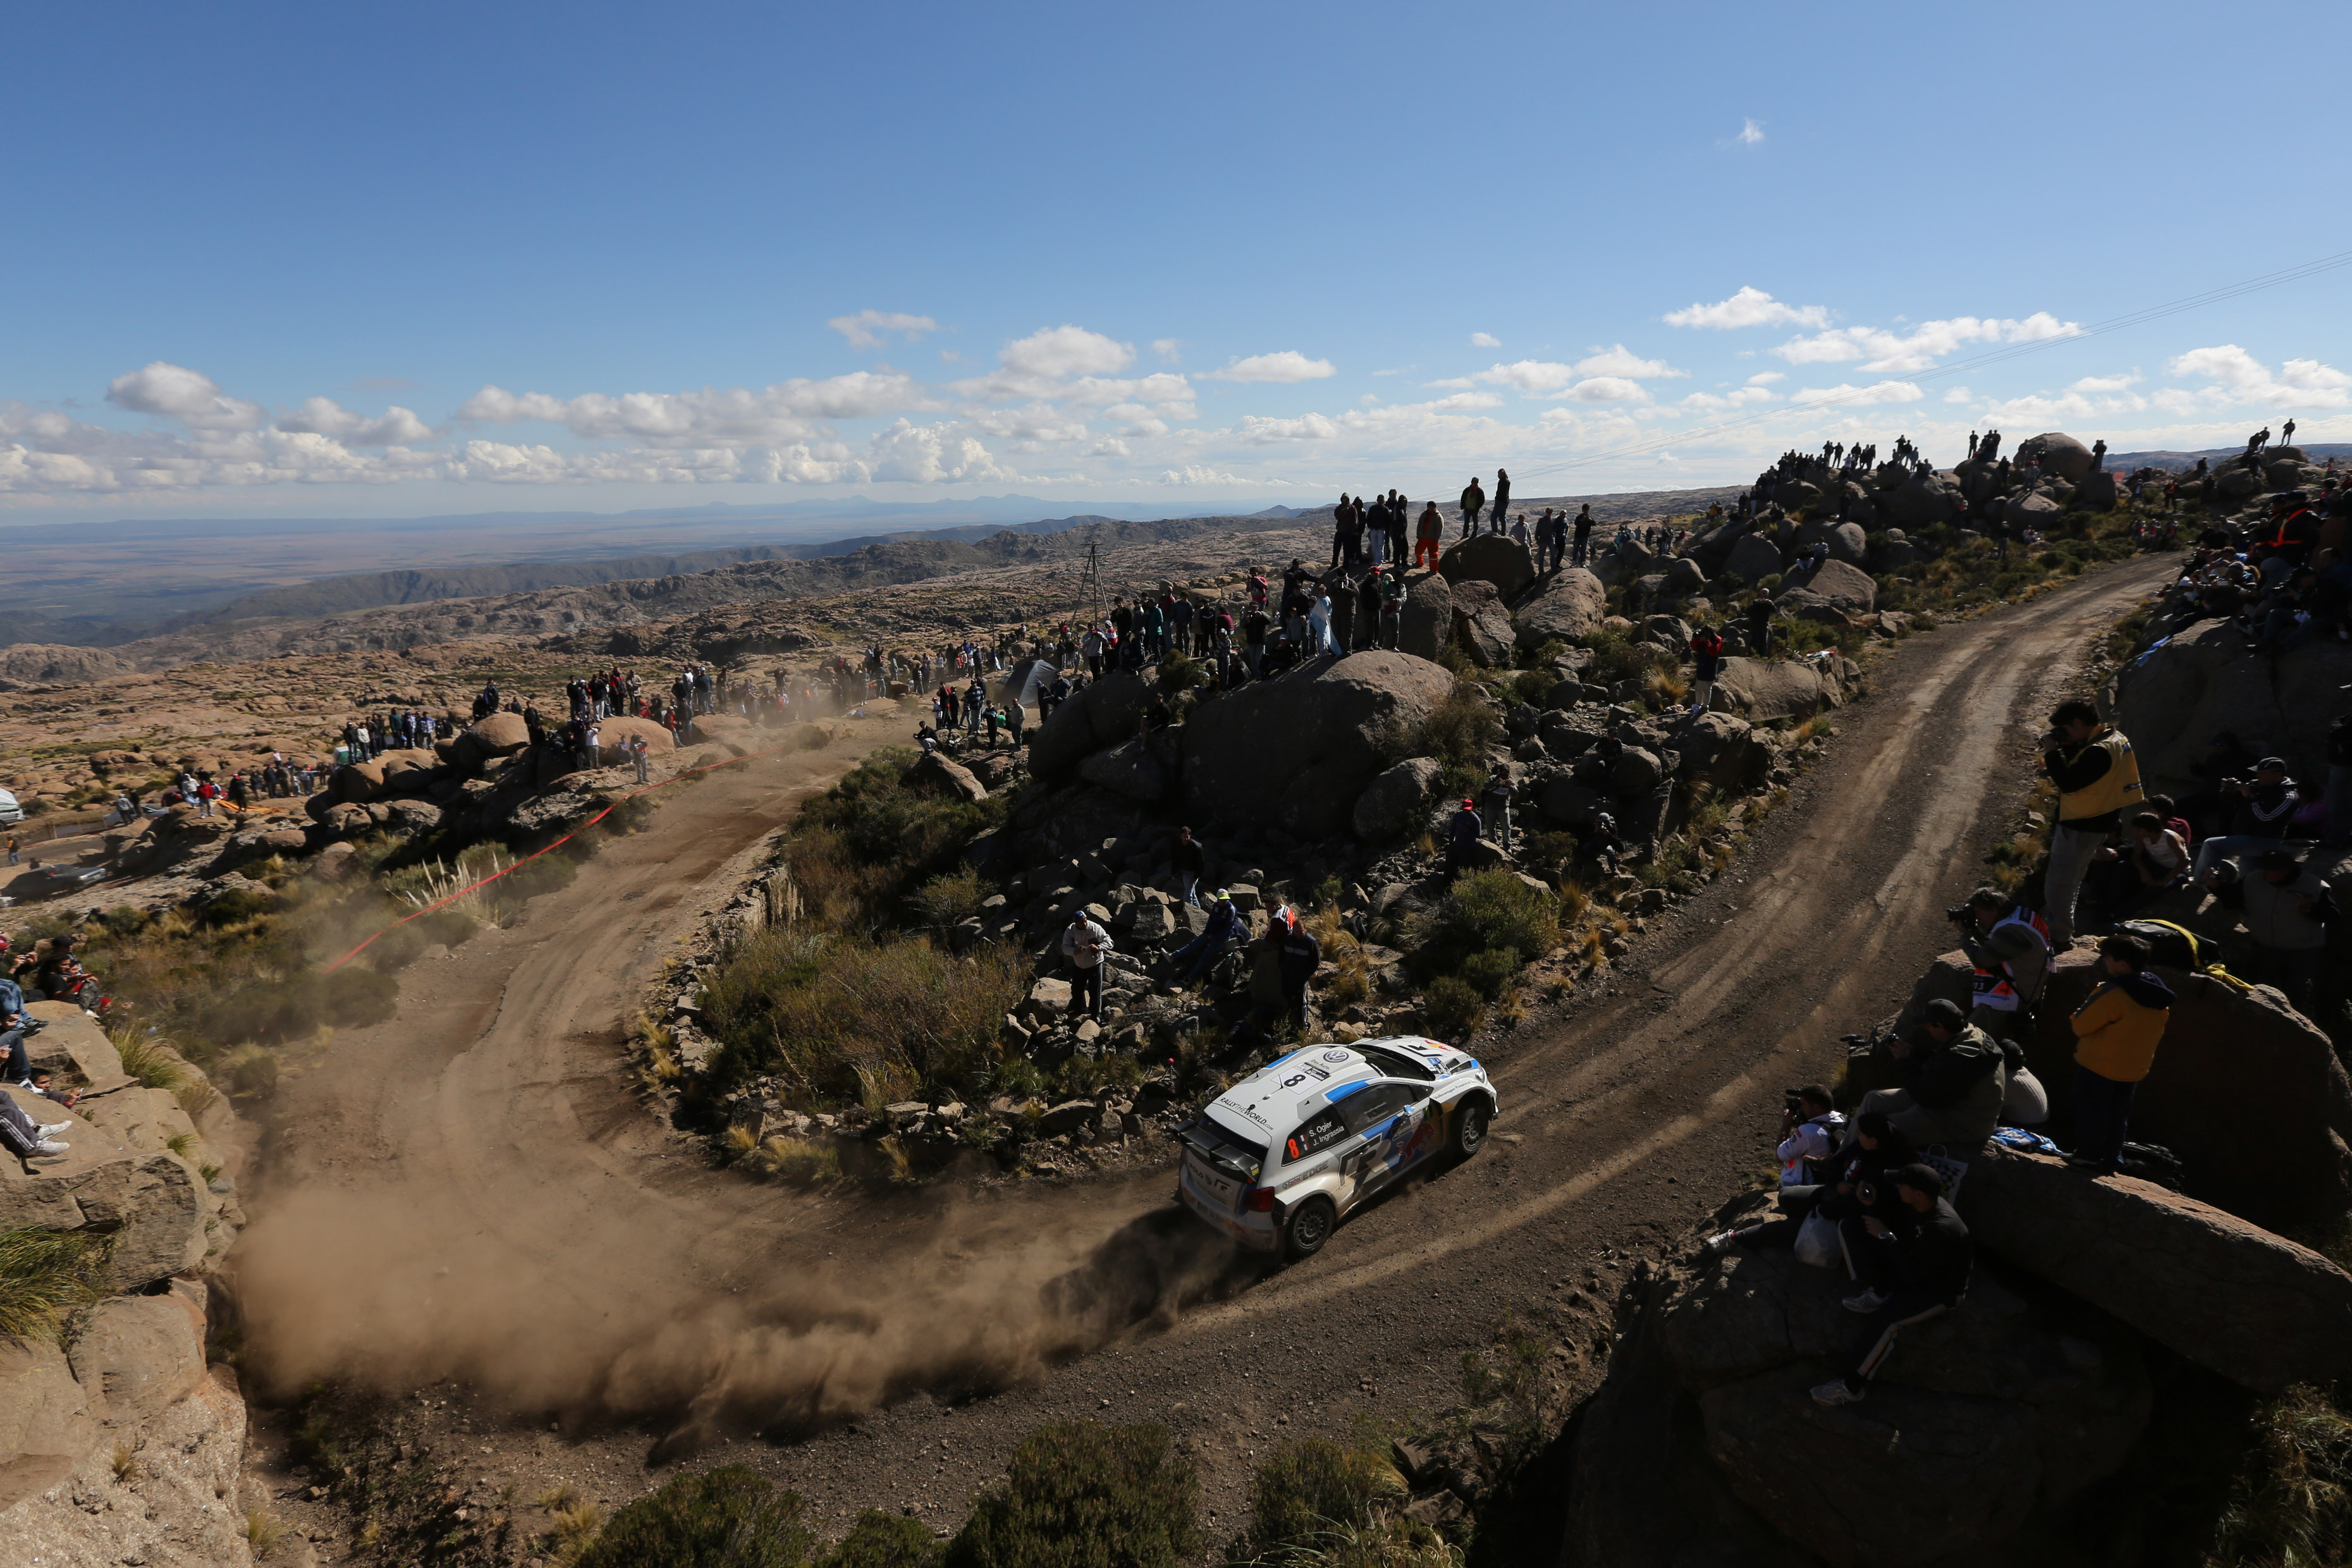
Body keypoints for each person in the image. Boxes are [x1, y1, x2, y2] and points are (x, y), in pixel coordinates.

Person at [1810, 1164, 1971, 1407]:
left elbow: (1916, 1274)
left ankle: (1852, 1387)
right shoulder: (1921, 1205)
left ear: (1918, 1193)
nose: (1897, 1187)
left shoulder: (1940, 1228)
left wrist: (1886, 1237)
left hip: (1938, 1290)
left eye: (1901, 1185)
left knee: (1886, 1320)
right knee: (1852, 1226)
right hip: (1915, 1267)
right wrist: (1871, 1205)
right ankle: (1879, 1292)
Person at [2066, 933, 2174, 1175]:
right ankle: (2112, 1158)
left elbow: (2081, 1026)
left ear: (2122, 964)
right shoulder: (2157, 995)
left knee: (2090, 1110)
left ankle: (2088, 1156)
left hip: (2099, 1064)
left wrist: (2077, 1016)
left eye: (2107, 957)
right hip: (2133, 1069)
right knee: (2118, 1116)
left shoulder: (2114, 992)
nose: (2104, 961)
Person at [2040, 700, 2144, 948]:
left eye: (2066, 728)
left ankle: (2058, 937)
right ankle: (2056, 926)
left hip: (2081, 823)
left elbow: (2068, 782)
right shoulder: (2113, 738)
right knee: (2073, 879)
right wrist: (2068, 745)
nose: (2064, 733)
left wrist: (2052, 753)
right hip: (2099, 820)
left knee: (2060, 883)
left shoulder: (2098, 751)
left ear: (2077, 723)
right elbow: (2084, 772)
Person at [1854, 999, 2006, 1151]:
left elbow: (1924, 1096)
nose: (1926, 1029)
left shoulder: (1962, 1056)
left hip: (1962, 1123)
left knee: (1875, 1129)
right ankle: (1844, 1152)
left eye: (1928, 1026)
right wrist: (1913, 1052)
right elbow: (1942, 1064)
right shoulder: (1970, 1034)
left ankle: (1853, 1159)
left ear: (1939, 1026)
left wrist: (1904, 1061)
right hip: (1950, 1104)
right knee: (1873, 1099)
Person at [2217, 848, 2334, 1010]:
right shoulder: (2252, 880)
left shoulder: (2315, 886)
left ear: (2286, 870)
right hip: (2265, 949)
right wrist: (2216, 887)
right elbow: (2233, 901)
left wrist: (2309, 908)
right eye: (2265, 868)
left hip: (2303, 953)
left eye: (2272, 870)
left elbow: (2332, 916)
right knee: (2262, 996)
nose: (2266, 873)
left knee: (2301, 997)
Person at [2188, 756, 2305, 884]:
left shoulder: (2288, 795)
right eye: (2258, 772)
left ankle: (2200, 882)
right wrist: (2227, 790)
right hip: (2246, 837)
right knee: (2248, 881)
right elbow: (2230, 802)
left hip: (2265, 840)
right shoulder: (2257, 785)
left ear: (2279, 775)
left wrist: (2251, 797)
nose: (2258, 776)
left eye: (2263, 773)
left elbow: (2267, 818)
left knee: (2211, 845)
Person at [1166, 888, 1243, 987]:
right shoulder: (1216, 906)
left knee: (1205, 957)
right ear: (1218, 899)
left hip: (1221, 938)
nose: (1224, 901)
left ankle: (1189, 979)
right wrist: (1207, 932)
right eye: (1222, 899)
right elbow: (1211, 919)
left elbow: (1227, 929)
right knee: (1193, 945)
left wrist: (1214, 937)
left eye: (1225, 899)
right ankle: (1173, 956)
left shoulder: (1231, 910)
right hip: (1210, 933)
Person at [1775, 1086, 1846, 1190]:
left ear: (1817, 1107)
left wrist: (1786, 1126)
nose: (1801, 1108)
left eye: (1803, 1105)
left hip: (1800, 1189)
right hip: (1830, 1184)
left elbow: (1779, 1156)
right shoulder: (1844, 1120)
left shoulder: (1808, 1131)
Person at [1275, 905, 1322, 1033]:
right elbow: (1281, 954)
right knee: (1288, 998)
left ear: (1305, 929)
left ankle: (1303, 1028)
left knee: (1302, 1003)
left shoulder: (1311, 942)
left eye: (1300, 931)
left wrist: (1306, 975)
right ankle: (1290, 1025)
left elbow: (1316, 961)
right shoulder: (1288, 939)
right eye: (1296, 931)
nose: (1298, 934)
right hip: (1287, 976)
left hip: (1300, 978)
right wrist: (1282, 968)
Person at [1060, 913, 1113, 1022]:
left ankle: (1096, 1015)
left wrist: (1099, 947)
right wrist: (1075, 951)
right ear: (1076, 923)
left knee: (1095, 991)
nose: (1084, 924)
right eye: (1081, 922)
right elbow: (1065, 948)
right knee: (1076, 989)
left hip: (1095, 964)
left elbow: (1109, 942)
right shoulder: (1070, 931)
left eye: (1085, 920)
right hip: (1079, 964)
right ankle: (1081, 1009)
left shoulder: (1095, 928)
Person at [1687, 623, 1724, 714]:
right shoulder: (1702, 639)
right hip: (1701, 666)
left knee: (1707, 689)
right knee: (1698, 687)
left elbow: (1714, 652)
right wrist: (1696, 639)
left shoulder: (1717, 639)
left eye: (1705, 633)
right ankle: (1697, 705)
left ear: (1710, 632)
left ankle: (1705, 707)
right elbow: (1695, 648)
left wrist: (1707, 641)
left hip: (1710, 667)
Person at [1445, 797, 1483, 878]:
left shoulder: (1475, 819)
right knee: (1450, 864)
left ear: (1472, 808)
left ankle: (1461, 882)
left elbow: (1478, 835)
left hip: (1468, 847)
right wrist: (1451, 842)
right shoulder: (1458, 815)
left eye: (1468, 810)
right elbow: (1452, 829)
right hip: (1456, 844)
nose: (1466, 811)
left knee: (1464, 867)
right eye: (1465, 809)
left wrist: (1467, 830)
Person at [1171, 826, 1206, 910]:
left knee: (1187, 896)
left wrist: (1195, 877)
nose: (1186, 839)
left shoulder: (1196, 847)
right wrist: (1173, 873)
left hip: (1193, 874)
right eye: (1184, 837)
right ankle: (1199, 912)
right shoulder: (1179, 845)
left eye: (1187, 837)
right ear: (1181, 836)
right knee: (1192, 895)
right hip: (1185, 873)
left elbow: (1202, 863)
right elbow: (1176, 860)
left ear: (1190, 836)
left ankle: (1189, 913)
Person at [1744, 592, 1775, 658]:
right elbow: (1748, 610)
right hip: (1755, 624)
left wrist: (1771, 604)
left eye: (1766, 594)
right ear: (1761, 594)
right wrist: (1758, 603)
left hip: (1764, 624)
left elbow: (1774, 611)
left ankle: (1762, 656)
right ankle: (1753, 654)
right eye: (1763, 593)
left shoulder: (1768, 603)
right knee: (1755, 640)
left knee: (1764, 641)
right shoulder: (1755, 602)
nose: (1764, 595)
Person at [1414, 501, 1444, 570]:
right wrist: (1418, 534)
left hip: (1432, 539)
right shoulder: (1424, 514)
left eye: (1432, 507)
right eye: (1429, 507)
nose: (1431, 509)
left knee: (1433, 555)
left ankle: (1433, 570)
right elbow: (1419, 524)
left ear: (1434, 508)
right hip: (1423, 537)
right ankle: (1419, 563)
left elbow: (1440, 528)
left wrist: (1437, 537)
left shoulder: (1438, 516)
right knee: (1418, 551)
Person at [1459, 475, 1485, 539]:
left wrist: (1478, 507)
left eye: (1476, 482)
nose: (1475, 484)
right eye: (1474, 482)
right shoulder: (1467, 490)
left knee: (1475, 522)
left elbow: (1482, 500)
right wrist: (1462, 506)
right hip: (1467, 508)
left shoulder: (1479, 491)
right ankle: (1465, 534)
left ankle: (1474, 533)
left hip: (1475, 509)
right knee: (1466, 522)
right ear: (1471, 482)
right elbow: (1463, 498)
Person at [1490, 469, 1511, 535]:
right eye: (1500, 474)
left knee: (1493, 517)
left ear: (1504, 474)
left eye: (1502, 474)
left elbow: (1501, 492)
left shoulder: (1504, 481)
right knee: (1502, 517)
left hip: (1501, 501)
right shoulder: (1506, 481)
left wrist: (1497, 499)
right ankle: (1503, 532)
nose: (1501, 475)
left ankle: (1495, 531)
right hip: (1505, 501)